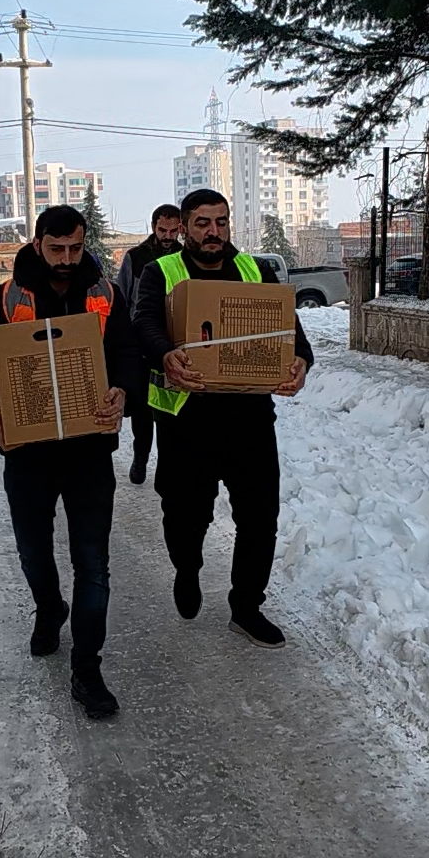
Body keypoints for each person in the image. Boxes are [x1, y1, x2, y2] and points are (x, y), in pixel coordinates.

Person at [0, 205, 137, 719]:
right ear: (38, 242)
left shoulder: (105, 294)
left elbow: (127, 354)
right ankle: (48, 607)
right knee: (33, 553)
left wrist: (123, 391)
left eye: (75, 248)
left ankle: (87, 669)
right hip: (29, 456)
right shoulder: (8, 297)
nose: (66, 259)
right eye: (56, 248)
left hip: (89, 453)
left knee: (93, 564)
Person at [132, 188, 311, 649]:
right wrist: (165, 354)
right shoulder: (161, 272)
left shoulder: (255, 270)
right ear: (184, 228)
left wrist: (300, 362)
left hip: (249, 419)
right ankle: (187, 568)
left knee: (260, 519)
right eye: (203, 223)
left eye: (221, 222)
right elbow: (143, 323)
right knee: (185, 518)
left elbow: (292, 332)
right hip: (186, 421)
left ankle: (246, 607)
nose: (214, 231)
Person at [112, 204, 185, 485]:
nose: (167, 236)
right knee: (142, 409)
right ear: (154, 227)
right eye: (162, 230)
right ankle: (140, 457)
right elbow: (122, 298)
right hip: (141, 343)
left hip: (175, 343)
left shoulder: (185, 258)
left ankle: (168, 464)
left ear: (180, 229)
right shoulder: (136, 258)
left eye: (173, 230)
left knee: (169, 408)